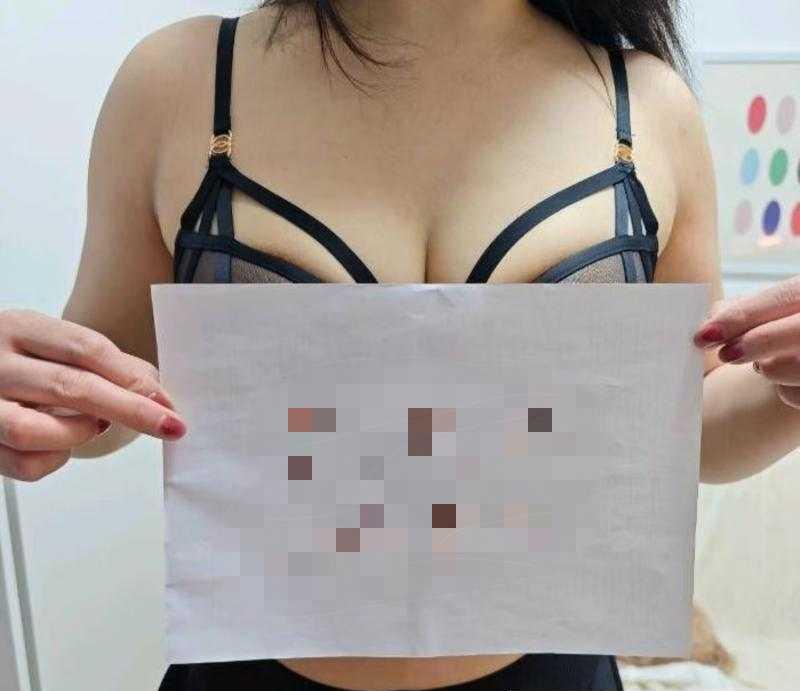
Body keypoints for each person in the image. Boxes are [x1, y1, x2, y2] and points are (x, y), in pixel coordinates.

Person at [1, 2, 799, 690]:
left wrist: (788, 388)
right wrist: (30, 399)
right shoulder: (177, 85)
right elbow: (99, 391)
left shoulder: (650, 106)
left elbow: (686, 421)